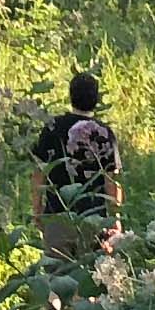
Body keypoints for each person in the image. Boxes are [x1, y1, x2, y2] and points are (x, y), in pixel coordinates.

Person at [30, 68, 123, 270]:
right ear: (96, 99)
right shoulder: (104, 133)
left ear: (70, 96)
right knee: (91, 281)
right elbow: (111, 181)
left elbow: (38, 175)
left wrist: (37, 211)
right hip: (94, 219)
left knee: (55, 282)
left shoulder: (52, 127)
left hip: (57, 215)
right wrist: (114, 220)